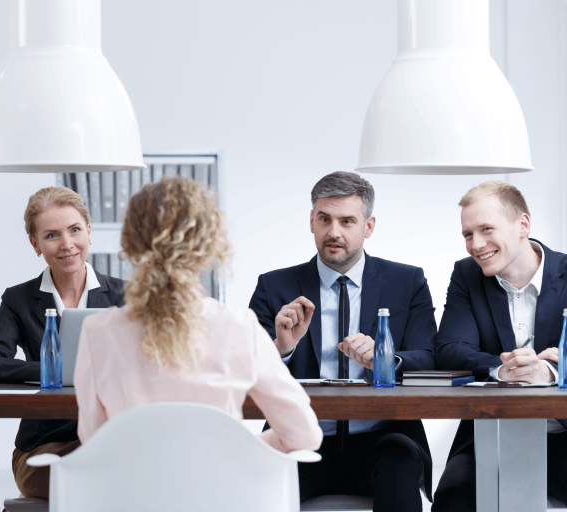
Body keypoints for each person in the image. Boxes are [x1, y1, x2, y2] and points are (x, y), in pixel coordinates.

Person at [74, 177, 323, 454]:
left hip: (130, 496)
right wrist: (231, 450)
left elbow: (92, 440)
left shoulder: (97, 332)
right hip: (221, 495)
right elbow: (305, 437)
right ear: (210, 246)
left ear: (130, 243)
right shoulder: (240, 328)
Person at [248, 171, 437, 512]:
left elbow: (428, 358)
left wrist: (383, 360)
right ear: (311, 221)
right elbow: (244, 370)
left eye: (347, 221)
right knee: (257, 480)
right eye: (325, 219)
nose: (334, 232)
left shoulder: (407, 282)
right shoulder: (274, 287)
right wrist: (282, 348)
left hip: (382, 441)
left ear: (368, 226)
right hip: (300, 438)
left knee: (402, 458)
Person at [0, 186, 125, 499]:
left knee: (115, 475)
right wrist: (52, 370)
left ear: (89, 231)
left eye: (74, 230)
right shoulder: (18, 299)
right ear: (35, 244)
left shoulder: (125, 296)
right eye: (52, 235)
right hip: (42, 445)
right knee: (100, 484)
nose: (67, 244)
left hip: (110, 437)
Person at [433, 180, 567, 510]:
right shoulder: (467, 274)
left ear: (523, 224)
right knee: (451, 501)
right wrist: (504, 369)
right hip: (488, 437)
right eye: (467, 234)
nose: (476, 245)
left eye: (486, 229)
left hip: (563, 436)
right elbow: (449, 348)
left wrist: (549, 370)